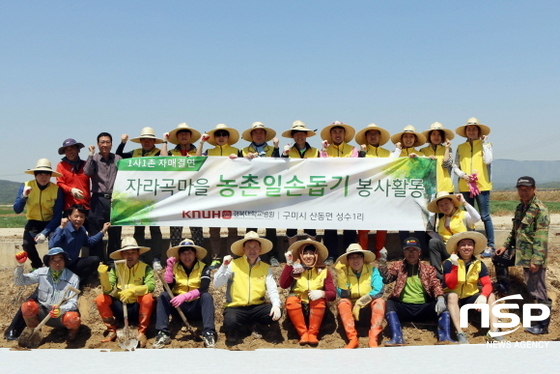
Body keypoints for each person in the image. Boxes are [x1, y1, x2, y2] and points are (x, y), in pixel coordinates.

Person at [494, 176, 551, 334]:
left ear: (534, 189)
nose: (523, 192)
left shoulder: (540, 210)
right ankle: (504, 286)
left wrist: (537, 260)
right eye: (520, 189)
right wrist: (505, 247)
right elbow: (515, 231)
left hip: (533, 256)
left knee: (537, 290)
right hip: (519, 252)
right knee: (499, 258)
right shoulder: (520, 207)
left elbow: (541, 237)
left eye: (527, 189)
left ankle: (542, 325)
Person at [379, 237, 455, 345]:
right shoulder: (398, 266)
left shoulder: (427, 269)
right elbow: (387, 279)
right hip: (404, 307)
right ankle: (397, 337)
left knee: (444, 303)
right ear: (403, 252)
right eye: (408, 250)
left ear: (419, 252)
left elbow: (435, 284)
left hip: (423, 307)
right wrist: (382, 264)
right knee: (390, 303)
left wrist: (440, 297)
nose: (411, 253)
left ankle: (445, 337)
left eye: (414, 250)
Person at [213, 231, 282, 344]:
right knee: (230, 322)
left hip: (257, 308)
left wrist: (276, 305)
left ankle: (255, 325)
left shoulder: (265, 267)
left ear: (260, 249)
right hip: (236, 307)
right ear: (243, 249)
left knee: (276, 312)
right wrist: (224, 266)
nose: (252, 250)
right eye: (249, 247)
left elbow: (272, 289)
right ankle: (241, 329)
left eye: (255, 247)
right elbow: (216, 283)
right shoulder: (233, 264)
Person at [154, 239, 217, 348]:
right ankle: (163, 333)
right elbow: (167, 289)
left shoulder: (203, 267)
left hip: (196, 307)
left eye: (190, 253)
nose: (186, 256)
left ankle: (209, 333)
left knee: (207, 296)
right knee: (163, 296)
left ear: (195, 254)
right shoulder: (175, 267)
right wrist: (169, 270)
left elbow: (204, 287)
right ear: (179, 255)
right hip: (179, 308)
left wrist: (185, 296)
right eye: (183, 253)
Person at [116, 126, 164, 271]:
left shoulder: (158, 154)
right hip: (137, 197)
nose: (146, 141)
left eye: (149, 139)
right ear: (141, 141)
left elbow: (167, 162)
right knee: (139, 228)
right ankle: (140, 258)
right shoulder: (135, 153)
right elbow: (119, 156)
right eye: (144, 139)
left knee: (155, 229)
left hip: (155, 196)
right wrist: (122, 142)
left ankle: (156, 258)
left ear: (154, 141)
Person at [94, 237, 155, 348]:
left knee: (148, 298)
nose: (130, 256)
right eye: (126, 253)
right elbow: (107, 290)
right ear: (122, 255)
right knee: (100, 299)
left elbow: (150, 287)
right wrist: (103, 276)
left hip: (137, 307)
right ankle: (112, 329)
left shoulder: (146, 268)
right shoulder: (116, 268)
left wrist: (133, 291)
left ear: (138, 254)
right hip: (121, 306)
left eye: (133, 252)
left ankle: (142, 331)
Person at [443, 232, 501, 343]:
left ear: (473, 247)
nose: (466, 247)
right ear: (458, 248)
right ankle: (460, 332)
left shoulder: (479, 264)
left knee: (491, 296)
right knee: (453, 296)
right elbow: (450, 284)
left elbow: (488, 284)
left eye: (469, 244)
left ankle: (494, 331)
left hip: (469, 297)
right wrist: (455, 266)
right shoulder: (448, 263)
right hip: (452, 297)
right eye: (463, 245)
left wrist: (483, 295)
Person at [196, 123, 240, 268]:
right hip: (213, 194)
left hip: (232, 193)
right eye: (218, 135)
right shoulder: (208, 151)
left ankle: (231, 257)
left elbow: (251, 166)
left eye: (224, 134)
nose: (221, 137)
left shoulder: (237, 151)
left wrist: (244, 159)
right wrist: (201, 143)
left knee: (232, 228)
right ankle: (216, 258)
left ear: (228, 137)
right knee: (214, 229)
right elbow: (196, 161)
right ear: (214, 138)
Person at [14, 248, 81, 341]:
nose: (57, 264)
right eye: (53, 260)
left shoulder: (73, 278)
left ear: (65, 261)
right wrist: (20, 265)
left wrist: (61, 310)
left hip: (61, 316)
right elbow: (19, 281)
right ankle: (35, 334)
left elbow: (73, 303)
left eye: (60, 259)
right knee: (27, 306)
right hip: (43, 313)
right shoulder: (41, 273)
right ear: (48, 262)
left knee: (72, 318)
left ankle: (72, 337)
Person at [354, 123, 399, 257]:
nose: (373, 136)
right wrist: (362, 154)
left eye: (375, 134)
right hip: (365, 192)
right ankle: (364, 252)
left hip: (382, 192)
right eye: (370, 134)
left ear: (380, 137)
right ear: (366, 137)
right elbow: (356, 168)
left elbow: (394, 167)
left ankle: (379, 252)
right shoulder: (360, 153)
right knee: (363, 223)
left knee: (382, 222)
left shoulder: (387, 153)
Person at [279, 239, 335, 346]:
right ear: (300, 255)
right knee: (291, 300)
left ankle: (313, 334)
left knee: (318, 300)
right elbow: (283, 284)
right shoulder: (296, 269)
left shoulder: (323, 271)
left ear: (316, 255)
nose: (308, 256)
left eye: (311, 253)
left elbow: (332, 294)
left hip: (317, 310)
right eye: (305, 253)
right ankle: (303, 334)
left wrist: (322, 293)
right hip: (298, 308)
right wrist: (289, 264)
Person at [453, 117, 495, 257]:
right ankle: (469, 246)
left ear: (479, 131)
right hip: (465, 186)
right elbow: (455, 166)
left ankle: (491, 246)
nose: (471, 131)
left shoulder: (486, 145)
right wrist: (463, 175)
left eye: (474, 129)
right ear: (466, 132)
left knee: (485, 216)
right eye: (469, 129)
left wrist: (483, 143)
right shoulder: (460, 148)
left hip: (482, 186)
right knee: (468, 216)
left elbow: (488, 160)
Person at [241, 121, 281, 266]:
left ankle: (273, 256)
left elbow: (278, 163)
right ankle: (248, 255)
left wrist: (276, 148)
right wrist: (241, 159)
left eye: (261, 132)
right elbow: (237, 167)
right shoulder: (244, 150)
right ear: (251, 135)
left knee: (271, 225)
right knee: (251, 225)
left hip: (269, 191)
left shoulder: (272, 149)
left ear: (265, 135)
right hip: (251, 191)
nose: (258, 135)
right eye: (255, 132)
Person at [319, 121, 359, 263]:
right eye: (334, 132)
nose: (337, 134)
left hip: (349, 190)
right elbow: (321, 167)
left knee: (349, 221)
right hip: (331, 192)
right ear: (330, 135)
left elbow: (353, 167)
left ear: (344, 134)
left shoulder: (353, 150)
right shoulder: (324, 150)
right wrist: (324, 153)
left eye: (340, 132)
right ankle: (331, 255)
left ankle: (351, 253)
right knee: (330, 223)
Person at [13, 158, 64, 269]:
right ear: (35, 175)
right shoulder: (26, 186)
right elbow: (17, 209)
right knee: (27, 245)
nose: (43, 177)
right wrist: (24, 197)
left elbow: (57, 215)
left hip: (51, 223)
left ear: (50, 176)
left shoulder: (56, 190)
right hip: (33, 222)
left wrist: (45, 232)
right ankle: (37, 266)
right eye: (40, 174)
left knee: (55, 245)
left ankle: (52, 268)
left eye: (46, 174)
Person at [161, 122, 204, 248]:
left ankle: (199, 260)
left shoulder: (198, 151)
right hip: (176, 196)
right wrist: (164, 141)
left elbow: (201, 162)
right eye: (181, 134)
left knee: (197, 231)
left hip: (194, 196)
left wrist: (201, 144)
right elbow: (163, 160)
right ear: (177, 137)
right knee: (175, 231)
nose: (184, 136)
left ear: (190, 136)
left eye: (186, 133)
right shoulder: (172, 152)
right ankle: (173, 261)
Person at [335, 243, 385, 348]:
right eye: (352, 258)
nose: (355, 260)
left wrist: (360, 302)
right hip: (351, 312)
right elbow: (343, 295)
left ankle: (373, 338)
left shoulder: (372, 270)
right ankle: (352, 338)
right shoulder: (344, 272)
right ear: (348, 260)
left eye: (358, 257)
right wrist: (341, 277)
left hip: (368, 309)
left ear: (363, 258)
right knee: (343, 303)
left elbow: (379, 290)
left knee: (379, 302)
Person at [84, 131, 123, 263]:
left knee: (115, 232)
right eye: (102, 142)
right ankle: (97, 263)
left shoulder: (118, 159)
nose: (105, 145)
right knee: (96, 231)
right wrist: (90, 154)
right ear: (98, 144)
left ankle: (113, 263)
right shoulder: (94, 159)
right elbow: (87, 172)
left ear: (111, 144)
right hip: (97, 199)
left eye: (107, 142)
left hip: (114, 200)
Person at [49, 204, 109, 287]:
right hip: (60, 265)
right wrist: (61, 226)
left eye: (82, 217)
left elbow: (89, 242)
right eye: (76, 216)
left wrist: (103, 231)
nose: (79, 219)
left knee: (95, 260)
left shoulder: (82, 230)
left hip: (73, 263)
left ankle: (80, 282)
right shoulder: (64, 229)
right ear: (69, 217)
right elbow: (52, 244)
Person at [390, 125, 429, 253]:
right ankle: (405, 251)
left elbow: (426, 170)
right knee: (403, 223)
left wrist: (418, 160)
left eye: (411, 137)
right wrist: (398, 150)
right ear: (401, 139)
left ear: (415, 139)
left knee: (419, 223)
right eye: (406, 136)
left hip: (417, 193)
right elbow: (390, 166)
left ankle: (420, 251)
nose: (408, 139)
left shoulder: (421, 154)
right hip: (400, 193)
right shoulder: (395, 153)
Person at [280, 120, 318, 246]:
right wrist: (284, 155)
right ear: (293, 136)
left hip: (310, 192)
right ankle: (291, 254)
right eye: (296, 134)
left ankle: (311, 252)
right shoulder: (287, 151)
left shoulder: (316, 152)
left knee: (310, 224)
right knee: (291, 225)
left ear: (306, 135)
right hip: (292, 192)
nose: (299, 136)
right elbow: (280, 168)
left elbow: (323, 168)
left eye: (302, 133)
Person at [427, 191, 480, 279]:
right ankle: (437, 278)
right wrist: (430, 232)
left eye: (446, 203)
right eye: (441, 205)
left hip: (463, 249)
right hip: (447, 250)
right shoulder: (442, 220)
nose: (444, 207)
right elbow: (440, 238)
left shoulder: (464, 215)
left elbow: (477, 218)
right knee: (433, 242)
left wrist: (464, 202)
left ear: (452, 203)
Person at [56, 138, 91, 214]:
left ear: (78, 150)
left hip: (85, 206)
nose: (70, 152)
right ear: (64, 152)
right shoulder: (61, 165)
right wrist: (71, 190)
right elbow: (60, 183)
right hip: (69, 207)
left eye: (72, 149)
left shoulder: (85, 165)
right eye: (67, 150)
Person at [420, 122, 455, 193]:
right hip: (428, 188)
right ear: (429, 136)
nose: (436, 137)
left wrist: (447, 148)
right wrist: (427, 161)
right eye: (433, 134)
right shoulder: (423, 151)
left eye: (439, 134)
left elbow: (446, 165)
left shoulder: (448, 149)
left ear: (442, 137)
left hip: (445, 187)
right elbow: (421, 169)